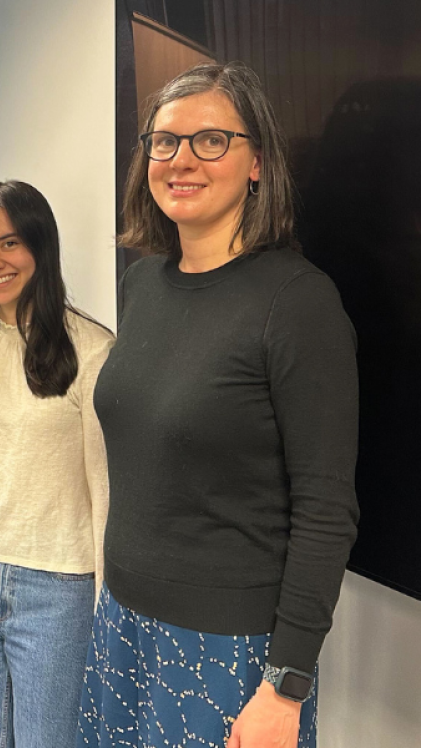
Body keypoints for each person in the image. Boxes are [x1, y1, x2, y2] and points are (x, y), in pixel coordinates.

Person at [79, 62, 359, 748]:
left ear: (256, 160)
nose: (181, 159)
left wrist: (286, 686)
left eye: (211, 141)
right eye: (165, 141)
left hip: (228, 652)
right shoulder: (144, 283)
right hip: (121, 625)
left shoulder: (297, 304)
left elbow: (326, 510)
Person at [0, 181, 114, 748]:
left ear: (41, 246)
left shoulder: (92, 351)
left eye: (9, 243)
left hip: (58, 585)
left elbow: (105, 490)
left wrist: (105, 605)